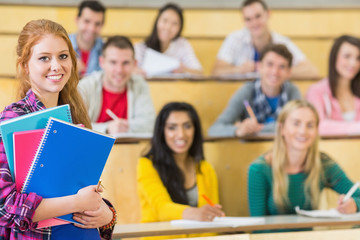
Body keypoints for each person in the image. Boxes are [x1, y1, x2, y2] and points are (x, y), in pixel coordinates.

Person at [0, 19, 116, 239]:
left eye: (63, 56)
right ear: (25, 65)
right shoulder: (12, 118)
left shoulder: (75, 116)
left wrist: (107, 215)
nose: (56, 66)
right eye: (44, 58)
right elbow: (4, 207)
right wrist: (77, 202)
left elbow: (85, 191)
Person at [248, 100, 360, 217]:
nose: (303, 131)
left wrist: (355, 204)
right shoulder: (259, 169)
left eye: (310, 125)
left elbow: (358, 196)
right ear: (282, 128)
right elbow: (258, 226)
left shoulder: (323, 164)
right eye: (296, 124)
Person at [137, 102, 224, 239]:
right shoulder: (147, 165)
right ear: (162, 132)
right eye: (172, 128)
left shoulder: (205, 168)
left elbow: (210, 226)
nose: (181, 134)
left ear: (195, 130)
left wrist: (210, 214)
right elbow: (162, 209)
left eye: (187, 126)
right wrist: (196, 213)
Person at [208, 44, 301, 137]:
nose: (275, 72)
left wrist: (260, 129)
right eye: (270, 64)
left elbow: (298, 127)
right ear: (259, 67)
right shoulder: (247, 91)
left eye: (282, 67)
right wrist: (238, 131)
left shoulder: (292, 92)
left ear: (289, 72)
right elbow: (214, 129)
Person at [212, 0, 318, 79]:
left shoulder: (282, 42)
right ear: (243, 21)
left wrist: (277, 71)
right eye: (248, 19)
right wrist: (239, 69)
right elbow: (216, 72)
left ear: (268, 14)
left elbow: (311, 71)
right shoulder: (234, 39)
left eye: (258, 16)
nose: (254, 23)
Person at [78, 35, 155, 135]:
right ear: (102, 62)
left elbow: (150, 124)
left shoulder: (140, 85)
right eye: (113, 62)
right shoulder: (86, 86)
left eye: (126, 63)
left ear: (134, 63)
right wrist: (107, 128)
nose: (119, 70)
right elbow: (76, 126)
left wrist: (125, 127)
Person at [306, 35, 360, 135]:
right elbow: (317, 125)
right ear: (334, 57)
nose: (353, 63)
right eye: (347, 56)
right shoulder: (316, 91)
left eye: (358, 58)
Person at [134, 3, 203, 76]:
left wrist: (184, 70)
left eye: (174, 24)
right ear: (157, 21)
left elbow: (199, 72)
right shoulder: (140, 48)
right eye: (165, 21)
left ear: (180, 28)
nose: (168, 27)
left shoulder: (182, 44)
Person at [69, 0, 106, 77]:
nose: (91, 29)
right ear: (77, 20)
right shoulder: (61, 45)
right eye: (87, 21)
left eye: (97, 24)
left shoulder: (107, 51)